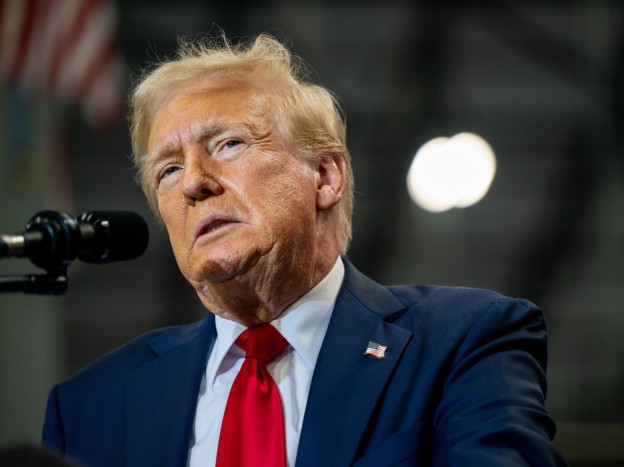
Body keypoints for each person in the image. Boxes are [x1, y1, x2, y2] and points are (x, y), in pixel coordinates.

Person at [42, 33, 567, 466]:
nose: (194, 184)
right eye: (168, 169)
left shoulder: (463, 341)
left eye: (228, 144)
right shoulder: (92, 406)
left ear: (325, 175)